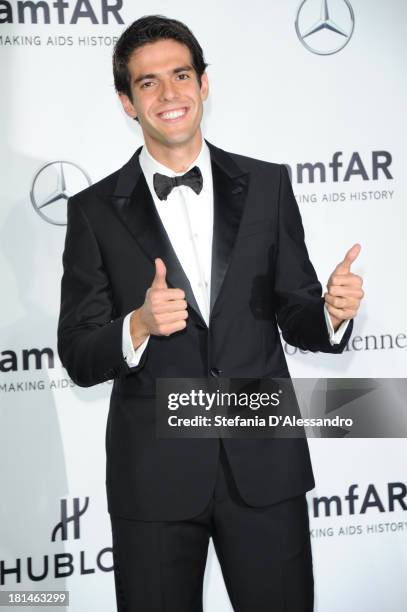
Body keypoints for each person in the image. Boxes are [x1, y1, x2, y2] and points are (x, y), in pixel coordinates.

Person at [57, 14, 364, 612]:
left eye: (180, 75)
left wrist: (328, 312)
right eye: (148, 83)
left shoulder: (269, 185)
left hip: (264, 463)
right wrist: (138, 324)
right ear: (126, 101)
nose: (169, 95)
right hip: (154, 480)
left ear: (203, 84)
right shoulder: (93, 212)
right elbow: (78, 353)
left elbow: (295, 309)